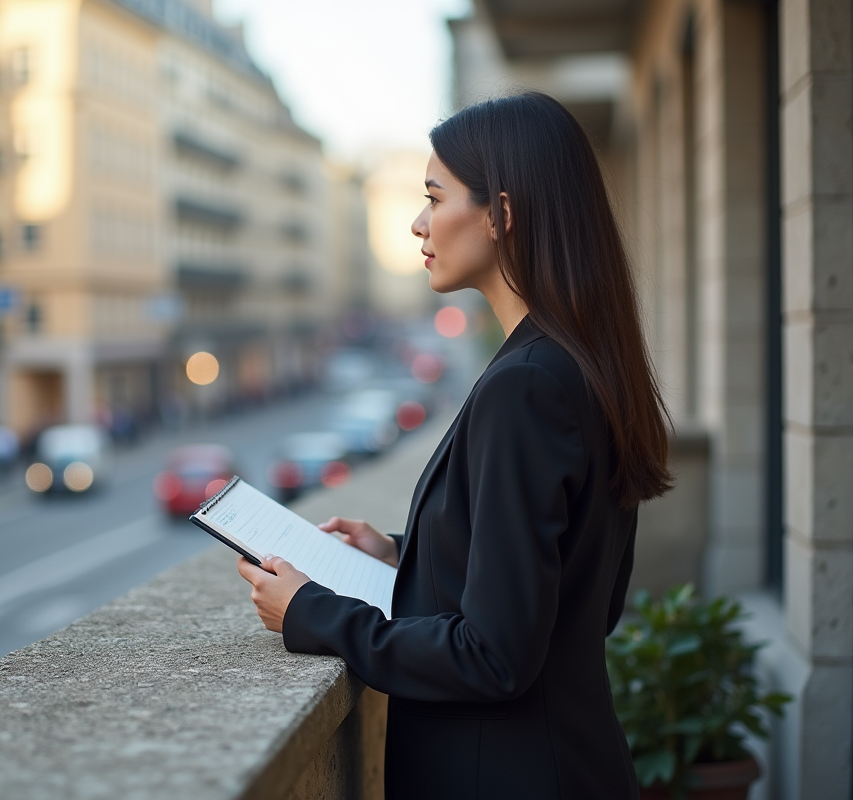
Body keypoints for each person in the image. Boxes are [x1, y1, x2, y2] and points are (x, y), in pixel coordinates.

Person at [236, 93, 672, 799]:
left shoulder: (526, 386)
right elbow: (577, 591)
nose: (418, 223)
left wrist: (313, 611)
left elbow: (494, 656)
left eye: (434, 198)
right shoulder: (575, 364)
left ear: (502, 214)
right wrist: (408, 553)